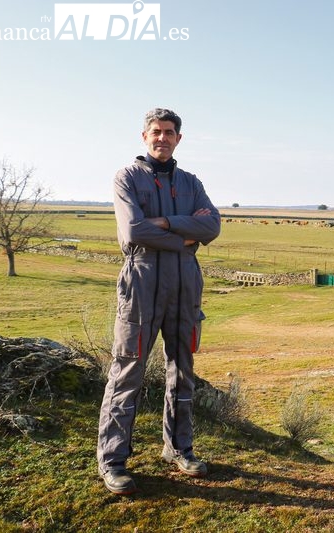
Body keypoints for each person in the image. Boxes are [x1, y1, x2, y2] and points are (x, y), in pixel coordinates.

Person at [97, 108, 222, 495]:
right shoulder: (127, 177)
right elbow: (134, 230)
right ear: (144, 136)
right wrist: (186, 234)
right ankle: (113, 461)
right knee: (127, 371)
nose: (162, 138)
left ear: (178, 139)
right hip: (142, 282)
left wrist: (166, 223)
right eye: (156, 132)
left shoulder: (190, 182)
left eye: (169, 132)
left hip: (185, 284)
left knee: (182, 369)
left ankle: (179, 448)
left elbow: (212, 225)